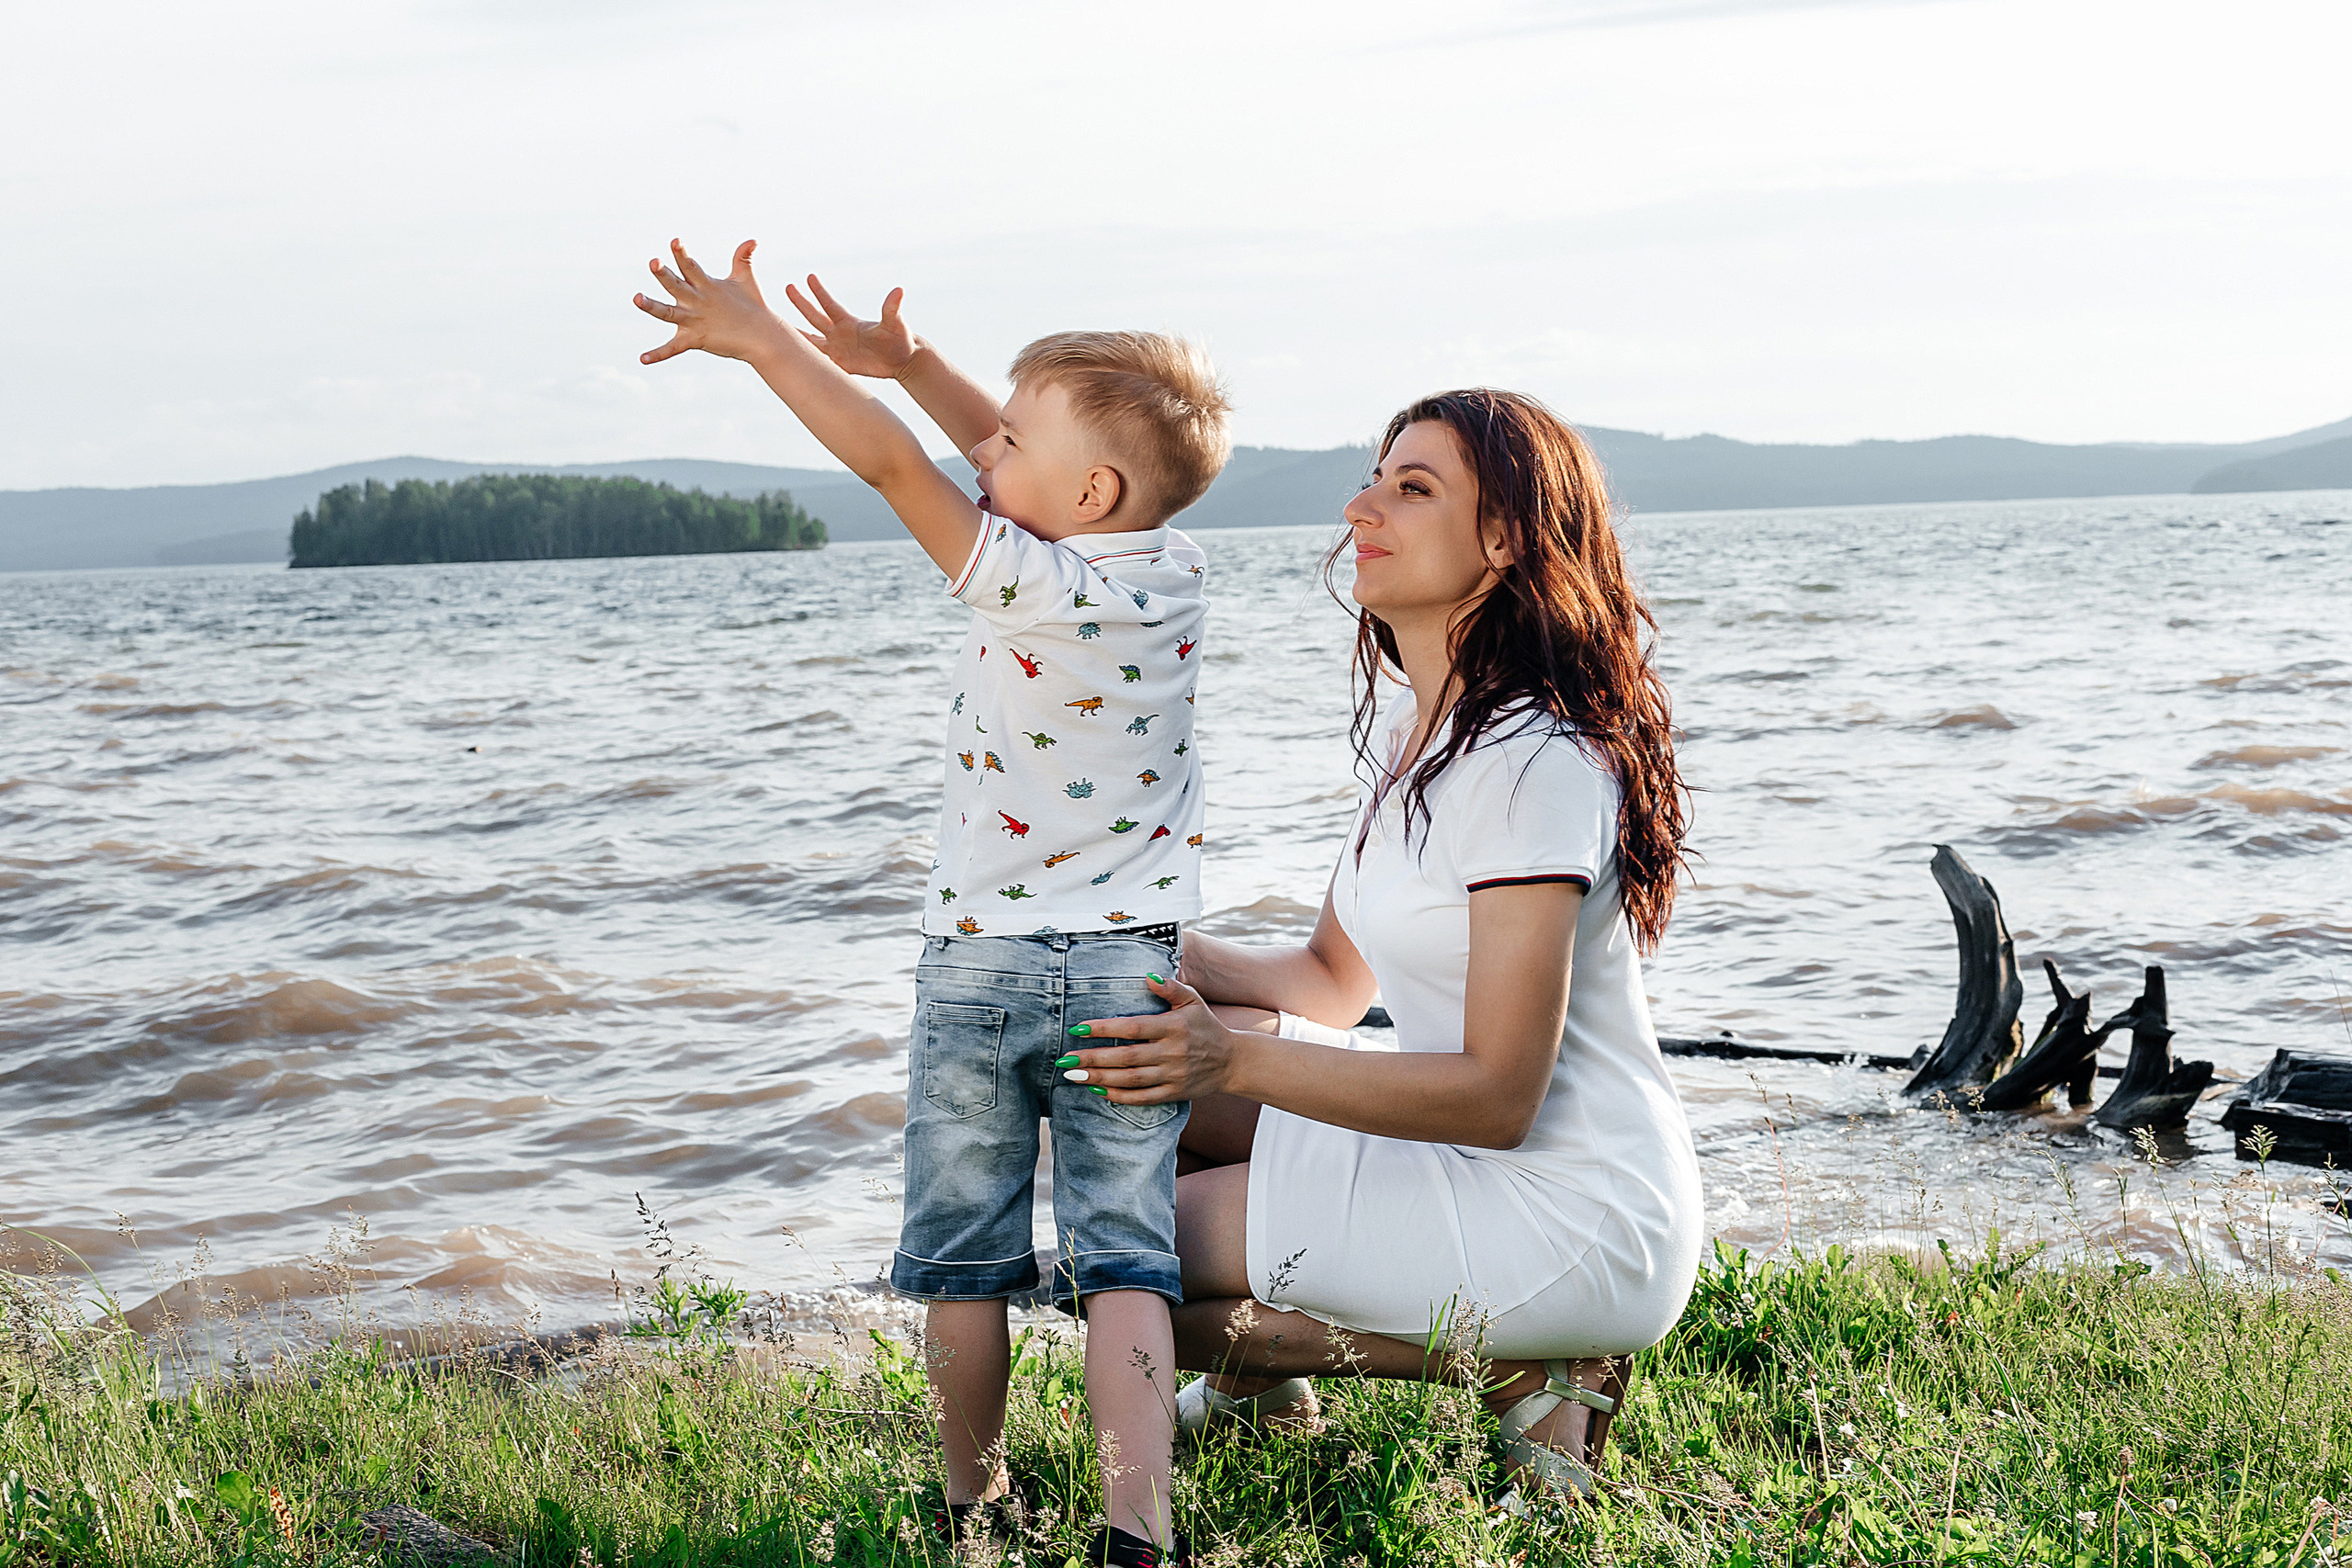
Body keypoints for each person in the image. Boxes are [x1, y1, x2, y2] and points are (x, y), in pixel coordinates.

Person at [634, 244, 1230, 1565]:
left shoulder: (1025, 575)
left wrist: (769, 349)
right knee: (1128, 1259)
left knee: (966, 1261)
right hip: (1130, 968)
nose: (984, 453)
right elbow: (1013, 454)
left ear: (1083, 491)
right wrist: (915, 363)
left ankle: (976, 1505)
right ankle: (1141, 1530)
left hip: (980, 969)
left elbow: (898, 465)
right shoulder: (1171, 572)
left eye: (1009, 443)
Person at [1060, 388, 1703, 1506]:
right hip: (1468, 1159)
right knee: (1110, 1092)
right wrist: (1149, 947)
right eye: (1374, 477)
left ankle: (1525, 1365)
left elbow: (1500, 1094)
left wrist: (1230, 1061)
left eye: (1414, 489)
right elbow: (1325, 984)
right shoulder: (1426, 744)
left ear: (1503, 539)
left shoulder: (1527, 762)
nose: (1363, 507)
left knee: (1112, 1253)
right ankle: (1276, 1406)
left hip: (1573, 1205)